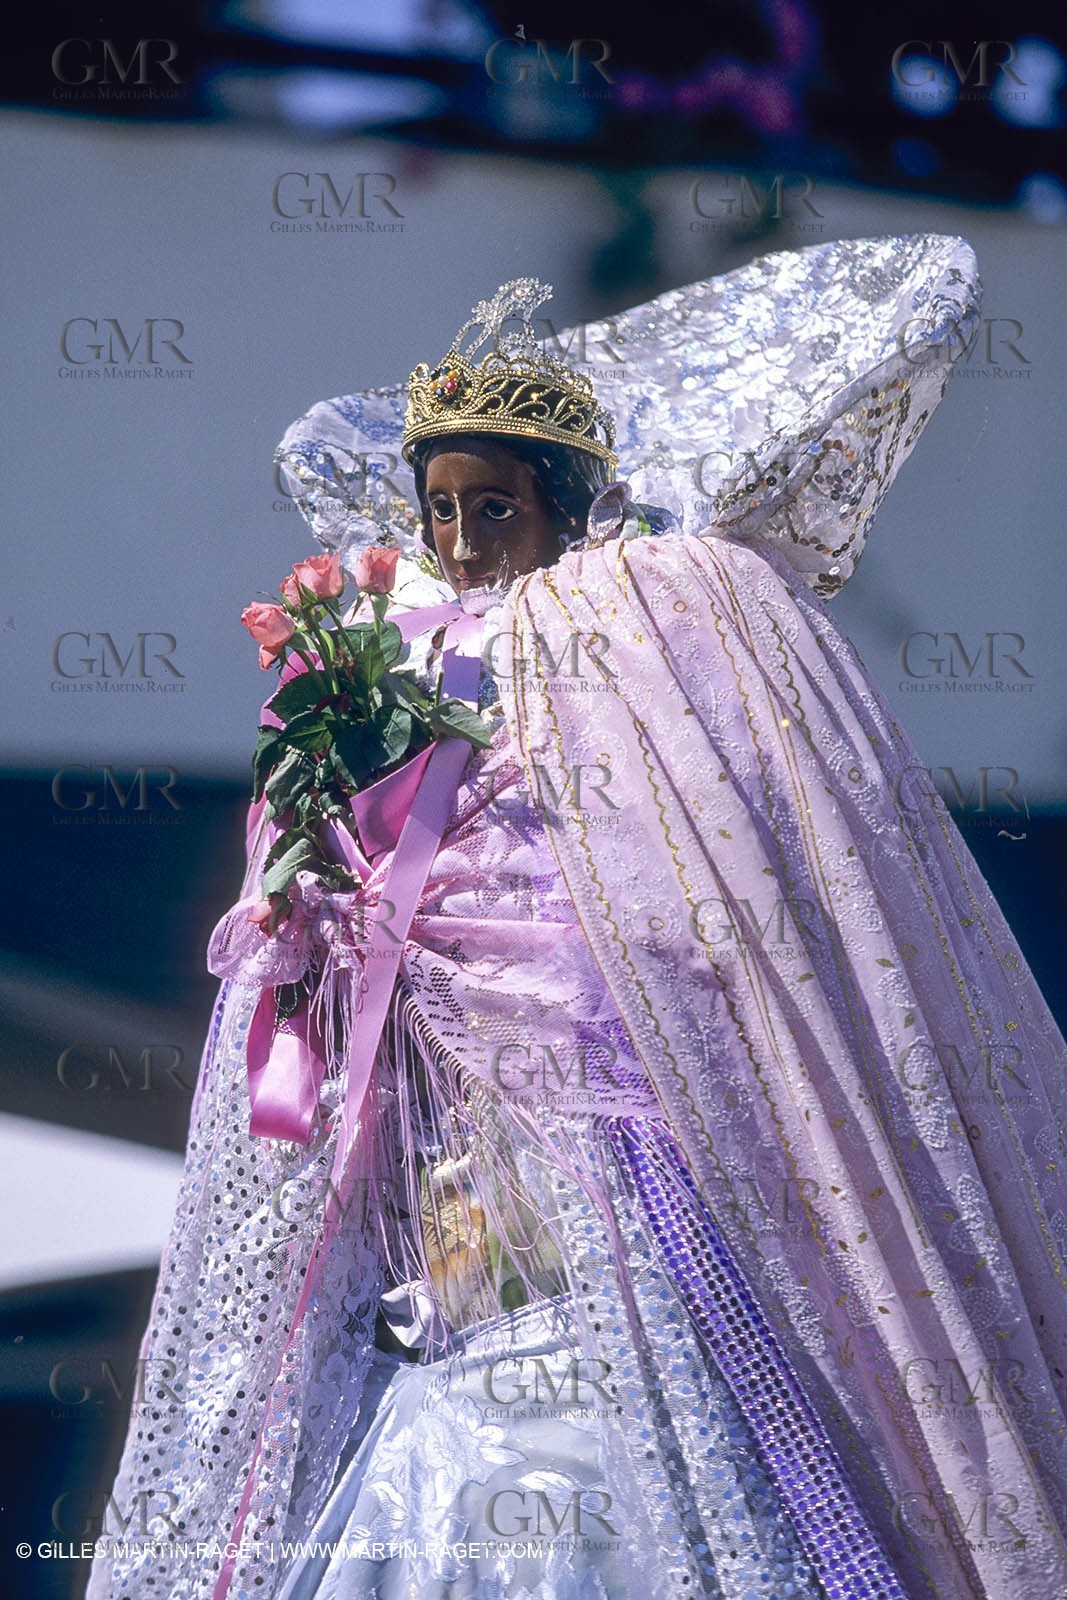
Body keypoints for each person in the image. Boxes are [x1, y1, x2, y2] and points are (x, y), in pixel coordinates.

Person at [89, 245, 1067, 1600]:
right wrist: (320, 898)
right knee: (446, 1363)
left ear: (560, 505)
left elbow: (676, 857)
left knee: (636, 1373)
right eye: (438, 511)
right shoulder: (388, 656)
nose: (461, 542)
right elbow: (326, 896)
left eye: (491, 506)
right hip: (434, 1091)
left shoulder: (640, 624)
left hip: (601, 1074)